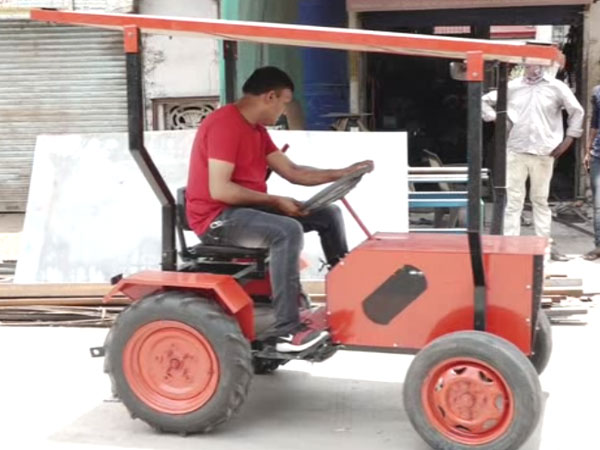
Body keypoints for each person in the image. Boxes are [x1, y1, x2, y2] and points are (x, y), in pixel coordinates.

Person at [186, 66, 373, 353]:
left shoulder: (256, 131)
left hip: (244, 211)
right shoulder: (224, 124)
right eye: (285, 102)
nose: (285, 111)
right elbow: (220, 190)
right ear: (270, 97)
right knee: (286, 230)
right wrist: (275, 201)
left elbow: (293, 171)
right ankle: (287, 330)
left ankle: (345, 297)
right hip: (217, 219)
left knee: (327, 214)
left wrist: (342, 172)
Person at [482, 64, 584, 261]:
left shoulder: (556, 87)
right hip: (516, 150)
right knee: (513, 202)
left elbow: (577, 112)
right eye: (529, 63)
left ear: (543, 65)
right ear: (524, 65)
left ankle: (543, 249)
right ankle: (510, 250)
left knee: (540, 200)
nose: (533, 67)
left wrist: (569, 139)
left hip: (544, 152)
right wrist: (495, 118)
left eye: (537, 63)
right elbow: (484, 100)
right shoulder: (512, 87)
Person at [584, 84, 600, 260]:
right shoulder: (597, 92)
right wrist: (588, 149)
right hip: (598, 155)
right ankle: (599, 246)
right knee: (598, 204)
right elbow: (595, 122)